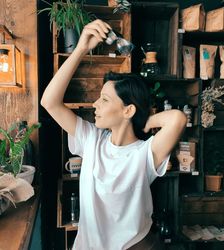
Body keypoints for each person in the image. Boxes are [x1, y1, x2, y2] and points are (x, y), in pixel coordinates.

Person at [41, 19, 187, 250]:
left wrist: (144, 121)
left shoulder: (144, 154)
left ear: (128, 110)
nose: (95, 104)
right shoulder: (91, 140)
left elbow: (177, 119)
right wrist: (80, 49)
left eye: (105, 99)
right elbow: (49, 102)